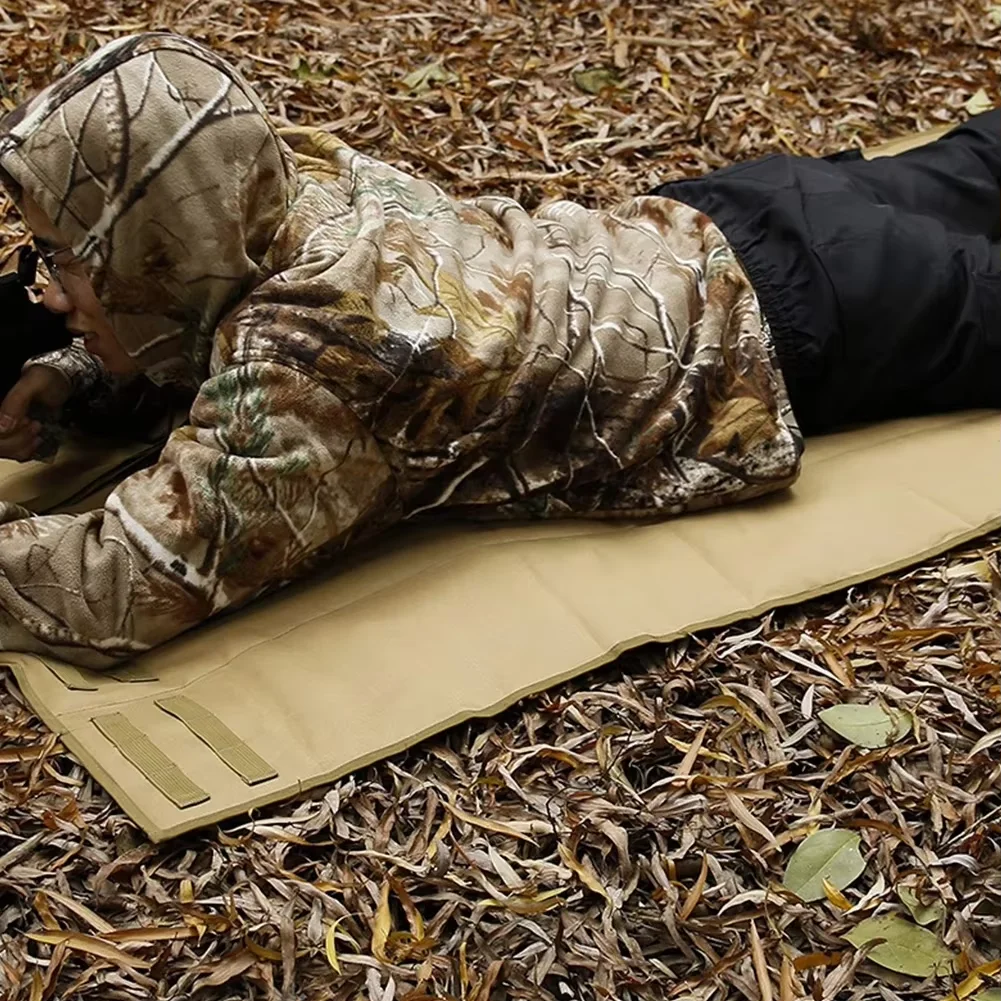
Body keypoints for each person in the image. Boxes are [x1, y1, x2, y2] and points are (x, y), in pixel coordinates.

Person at [0, 33, 994, 669]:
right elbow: (200, 328)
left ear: (152, 245)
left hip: (814, 311)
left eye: (58, 253)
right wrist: (78, 370)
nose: (41, 286)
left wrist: (89, 369)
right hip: (732, 216)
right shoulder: (290, 183)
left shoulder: (310, 367)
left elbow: (120, 587)